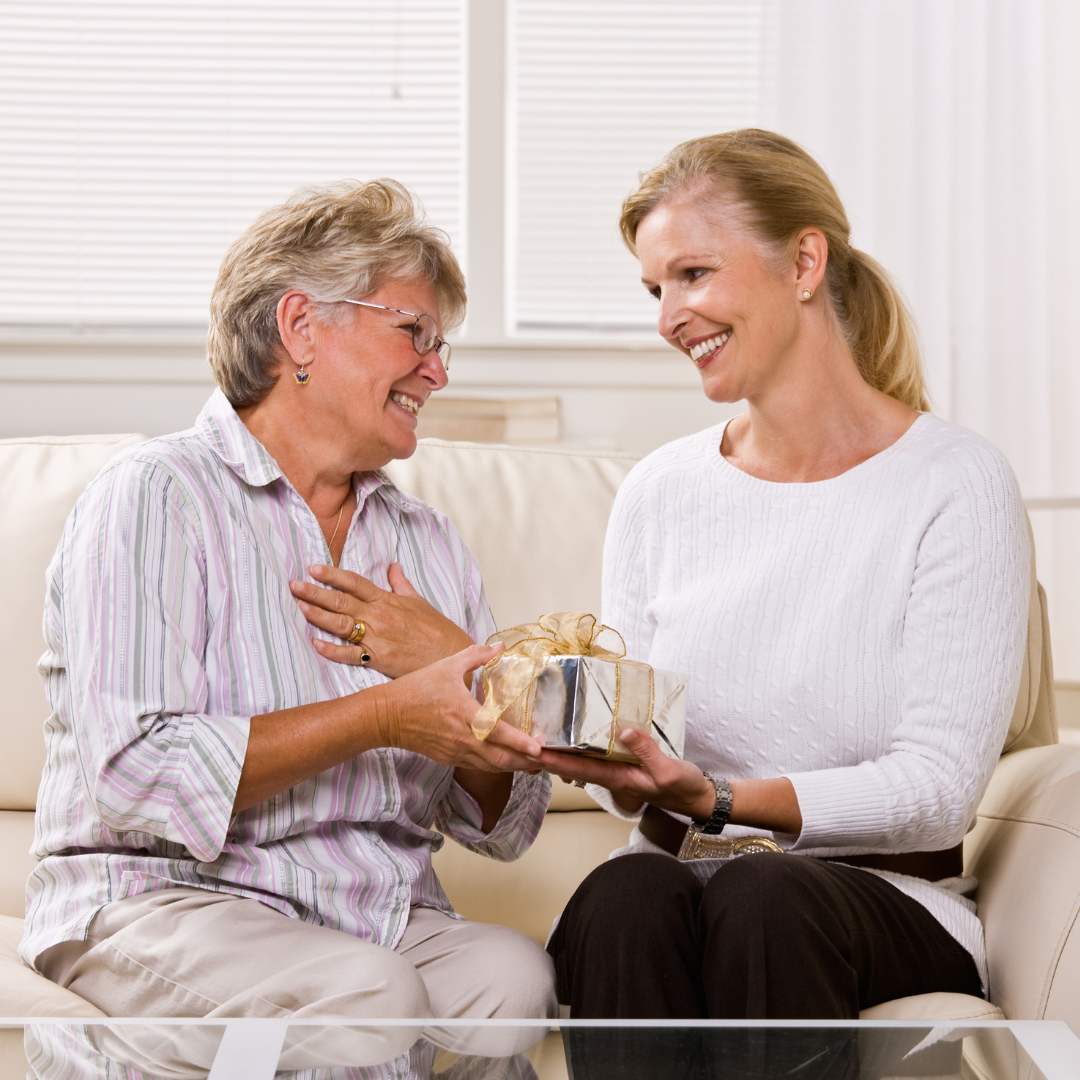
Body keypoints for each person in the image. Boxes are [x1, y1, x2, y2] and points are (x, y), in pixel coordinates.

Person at [21, 179, 556, 1057]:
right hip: (168, 900)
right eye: (414, 333)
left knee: (511, 981)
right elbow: (135, 770)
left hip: (373, 910)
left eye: (444, 345)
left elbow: (502, 824)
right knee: (368, 994)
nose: (439, 370)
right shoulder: (157, 496)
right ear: (302, 327)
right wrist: (386, 712)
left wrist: (473, 676)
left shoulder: (427, 542)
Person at [537, 130, 1031, 1021]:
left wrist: (722, 800)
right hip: (679, 880)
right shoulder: (659, 492)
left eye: (692, 275)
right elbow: (638, 779)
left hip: (873, 902)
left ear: (804, 261)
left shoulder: (956, 483)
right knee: (620, 898)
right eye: (656, 289)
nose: (666, 318)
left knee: (763, 901)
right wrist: (611, 762)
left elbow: (938, 792)